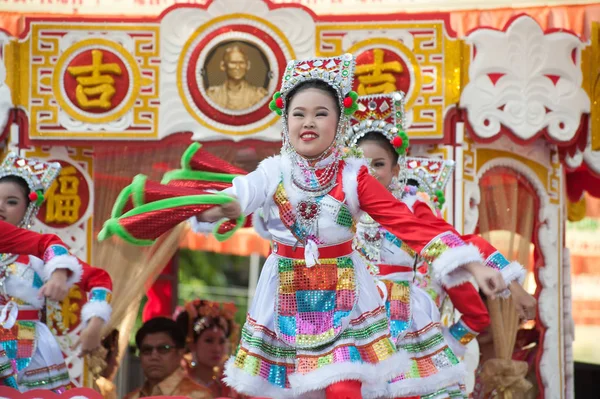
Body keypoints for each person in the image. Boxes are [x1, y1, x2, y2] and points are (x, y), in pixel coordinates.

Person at [191, 53, 507, 399]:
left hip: (345, 299)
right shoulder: (273, 171)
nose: (308, 121)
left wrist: (474, 265)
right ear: (286, 121)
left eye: (320, 113)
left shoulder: (353, 177)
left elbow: (408, 224)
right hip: (282, 297)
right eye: (299, 113)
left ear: (340, 123)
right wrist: (211, 209)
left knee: (344, 388)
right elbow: (240, 196)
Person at [347, 92, 537, 398]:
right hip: (346, 316)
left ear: (396, 171)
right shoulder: (341, 208)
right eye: (361, 165)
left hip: (402, 325)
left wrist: (512, 287)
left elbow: (463, 244)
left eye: (379, 164)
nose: (369, 173)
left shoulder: (409, 208)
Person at [0, 154, 83, 392]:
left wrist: (58, 273)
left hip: (26, 347)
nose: (0, 207)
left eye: (11, 201)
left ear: (29, 207)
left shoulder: (38, 256)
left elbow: (96, 277)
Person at [123, 317, 213, 399]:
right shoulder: (131, 397)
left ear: (180, 352)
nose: (154, 356)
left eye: (163, 348)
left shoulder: (198, 396)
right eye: (147, 350)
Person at [176, 299, 247, 398]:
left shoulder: (233, 385)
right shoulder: (177, 382)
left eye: (222, 341)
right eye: (209, 340)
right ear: (193, 344)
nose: (217, 349)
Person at [207, 44, 268, 110]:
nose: (238, 67)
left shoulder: (258, 95)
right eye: (233, 63)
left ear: (248, 65)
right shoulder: (212, 95)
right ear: (223, 65)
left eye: (241, 62)